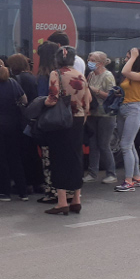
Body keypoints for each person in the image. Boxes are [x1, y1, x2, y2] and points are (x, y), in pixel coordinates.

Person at [43, 47, 91, 215]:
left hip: (61, 121)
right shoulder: (80, 75)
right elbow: (87, 101)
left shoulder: (56, 74)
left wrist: (42, 104)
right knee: (76, 158)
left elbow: (53, 98)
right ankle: (77, 199)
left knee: (59, 158)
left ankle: (62, 202)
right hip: (78, 119)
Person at [0, 59, 28, 202]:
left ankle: (4, 192)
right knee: (15, 158)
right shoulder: (12, 82)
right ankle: (23, 192)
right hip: (14, 124)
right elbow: (24, 100)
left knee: (0, 159)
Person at [114, 48, 140, 192]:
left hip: (134, 109)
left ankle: (128, 181)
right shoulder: (132, 76)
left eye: (128, 57)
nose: (125, 59)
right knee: (130, 145)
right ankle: (136, 176)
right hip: (124, 108)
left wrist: (133, 56)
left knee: (125, 145)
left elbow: (125, 71)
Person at [7, 53, 42, 192]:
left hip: (21, 120)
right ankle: (37, 183)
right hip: (32, 119)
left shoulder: (17, 79)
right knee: (33, 152)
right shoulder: (31, 77)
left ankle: (25, 183)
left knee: (23, 153)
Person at [84, 51, 118, 183]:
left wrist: (96, 91)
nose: (89, 62)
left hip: (106, 115)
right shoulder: (91, 75)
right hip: (93, 113)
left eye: (92, 60)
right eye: (89, 59)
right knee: (93, 144)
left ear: (100, 63)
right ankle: (92, 172)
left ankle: (111, 173)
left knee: (104, 144)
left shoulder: (108, 76)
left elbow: (111, 95)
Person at [35, 41, 61, 202]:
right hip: (64, 121)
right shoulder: (62, 73)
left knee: (48, 157)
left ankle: (51, 191)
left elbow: (43, 99)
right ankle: (66, 192)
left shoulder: (44, 76)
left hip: (48, 121)